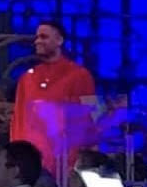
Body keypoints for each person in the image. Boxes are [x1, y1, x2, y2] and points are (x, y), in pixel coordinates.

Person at [11, 21, 96, 176]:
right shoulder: (27, 78)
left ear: (59, 40)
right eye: (37, 37)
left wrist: (77, 162)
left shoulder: (80, 75)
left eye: (44, 37)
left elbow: (89, 120)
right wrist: (17, 157)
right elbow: (18, 121)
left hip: (65, 164)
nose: (37, 41)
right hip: (32, 164)